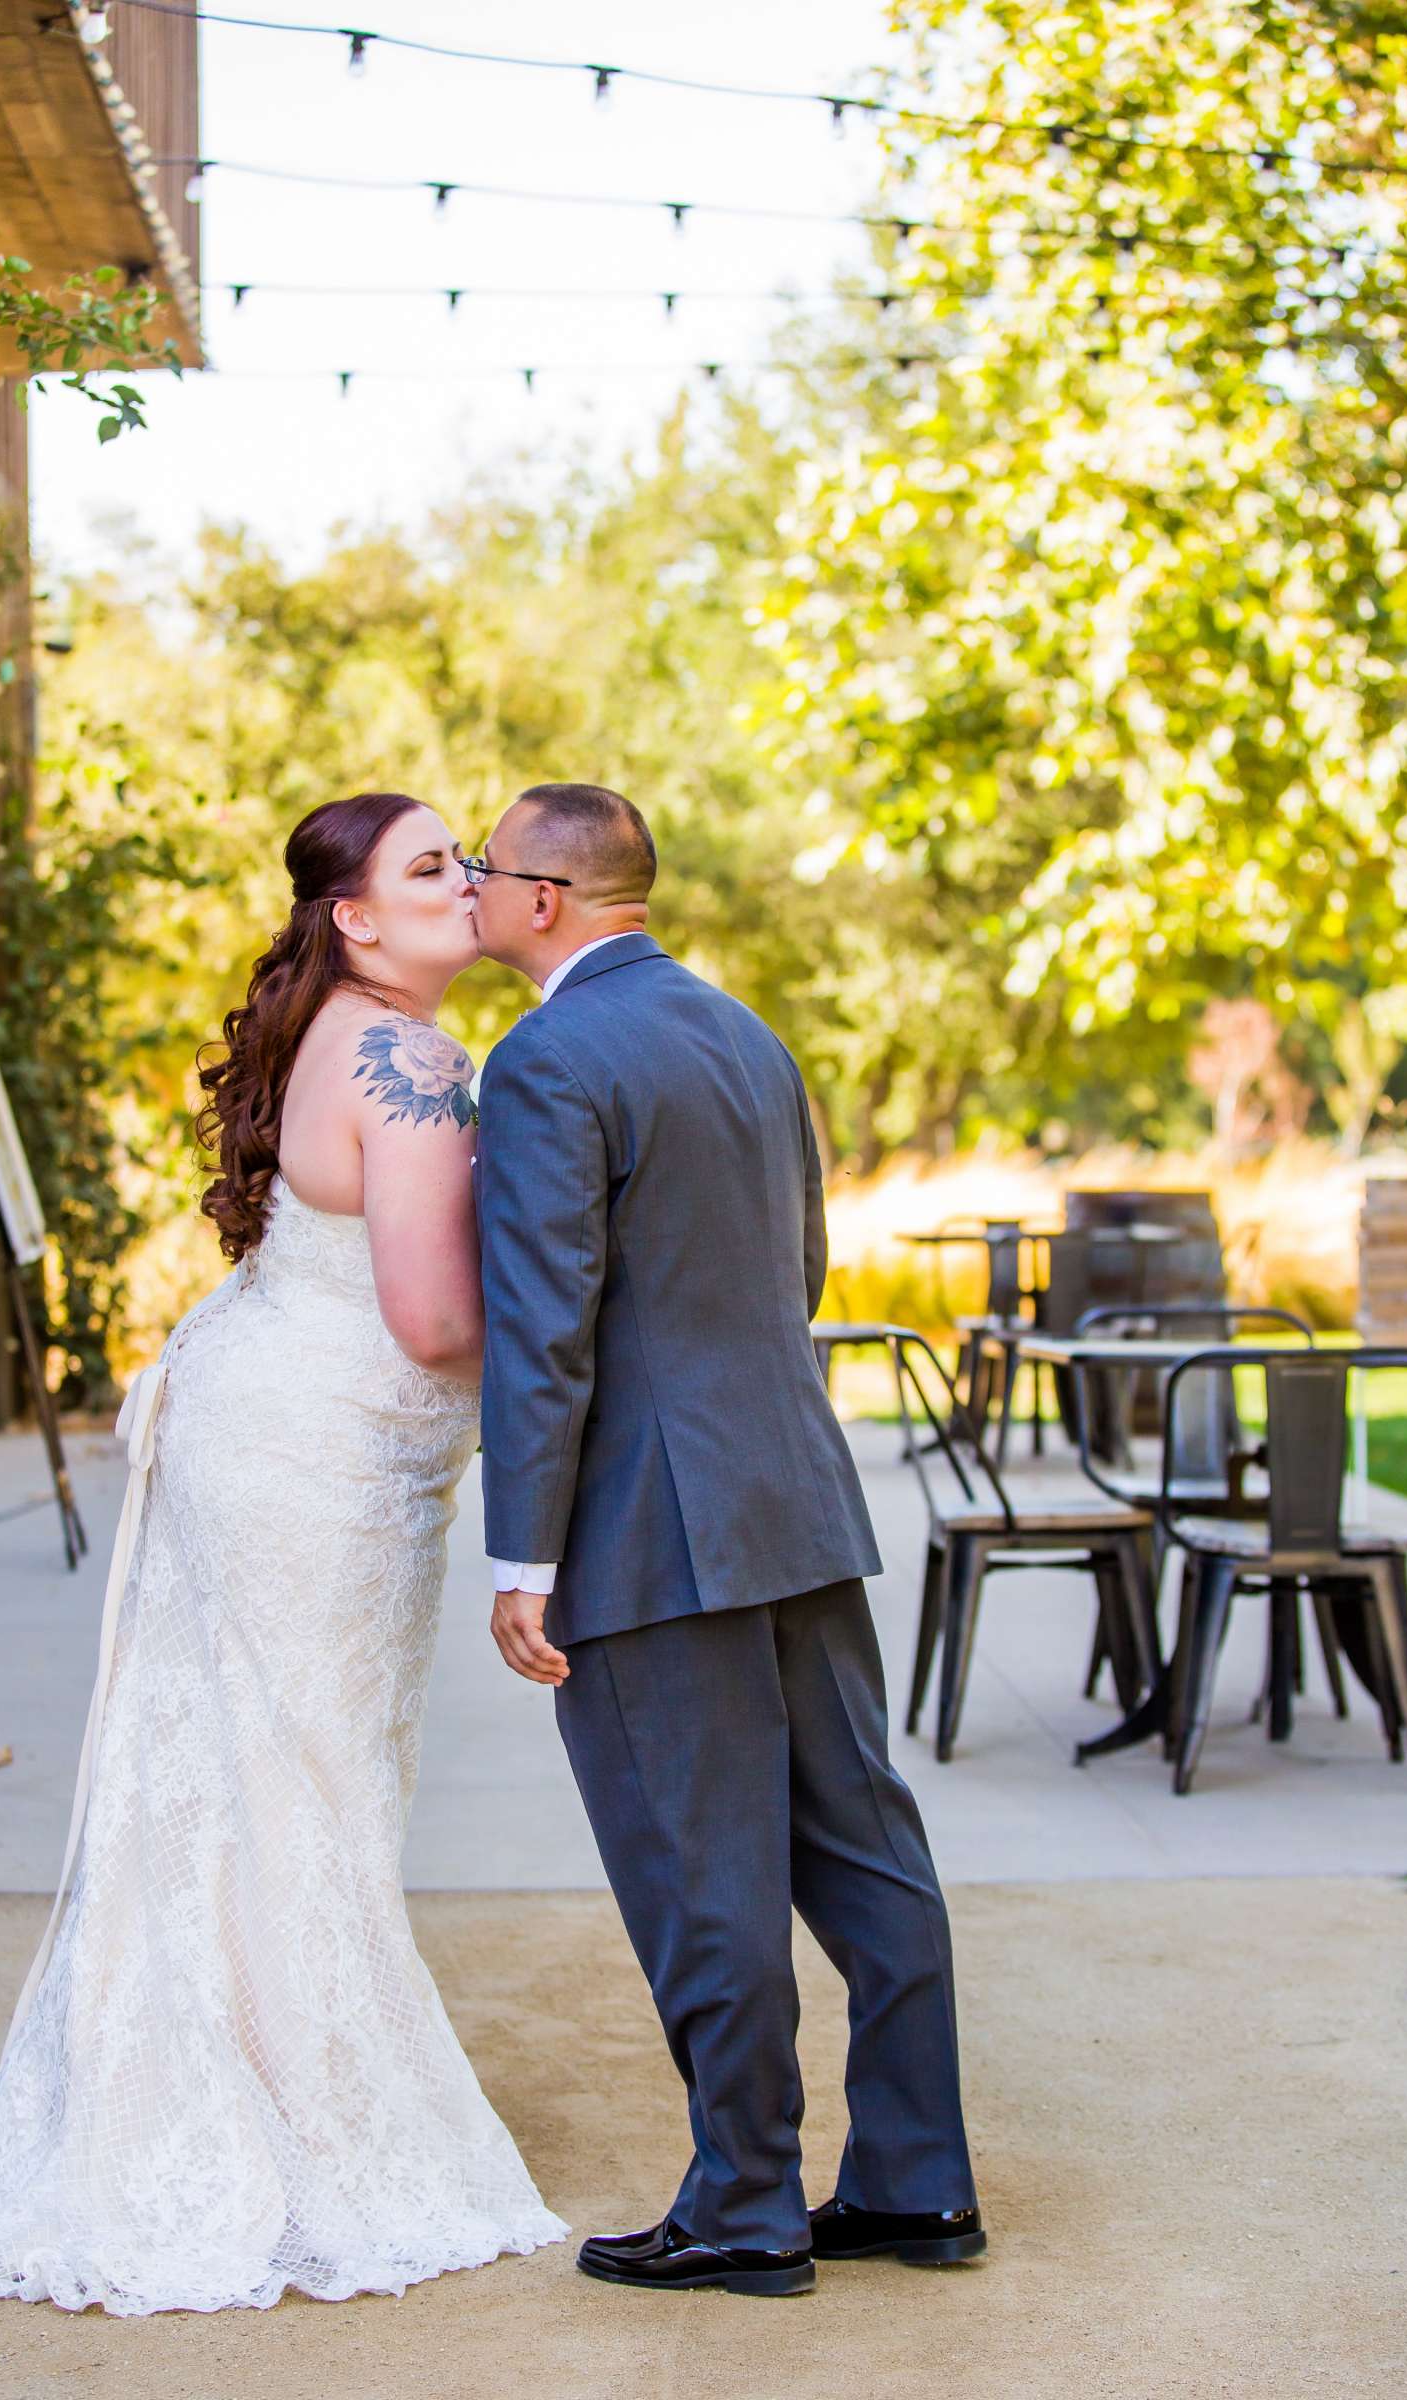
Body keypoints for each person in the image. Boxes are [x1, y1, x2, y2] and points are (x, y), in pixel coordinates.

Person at [0, 792, 566, 2315]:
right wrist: (586, 1352)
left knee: (247, 1770)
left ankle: (212, 2076)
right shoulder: (417, 1059)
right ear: (359, 918)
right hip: (315, 1456)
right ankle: (288, 2118)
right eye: (434, 865)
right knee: (307, 1773)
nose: (473, 881)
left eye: (471, 860)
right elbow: (440, 1323)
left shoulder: (335, 1035)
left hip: (268, 1424)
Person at [470, 783, 983, 2299]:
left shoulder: (547, 1057)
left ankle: (747, 2206)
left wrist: (523, 1557)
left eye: (490, 872)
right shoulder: (746, 1034)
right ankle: (914, 2186)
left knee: (704, 1868)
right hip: (796, 1500)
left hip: (653, 1527)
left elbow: (544, 1325)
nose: (479, 891)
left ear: (549, 899)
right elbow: (802, 1267)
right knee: (864, 1847)